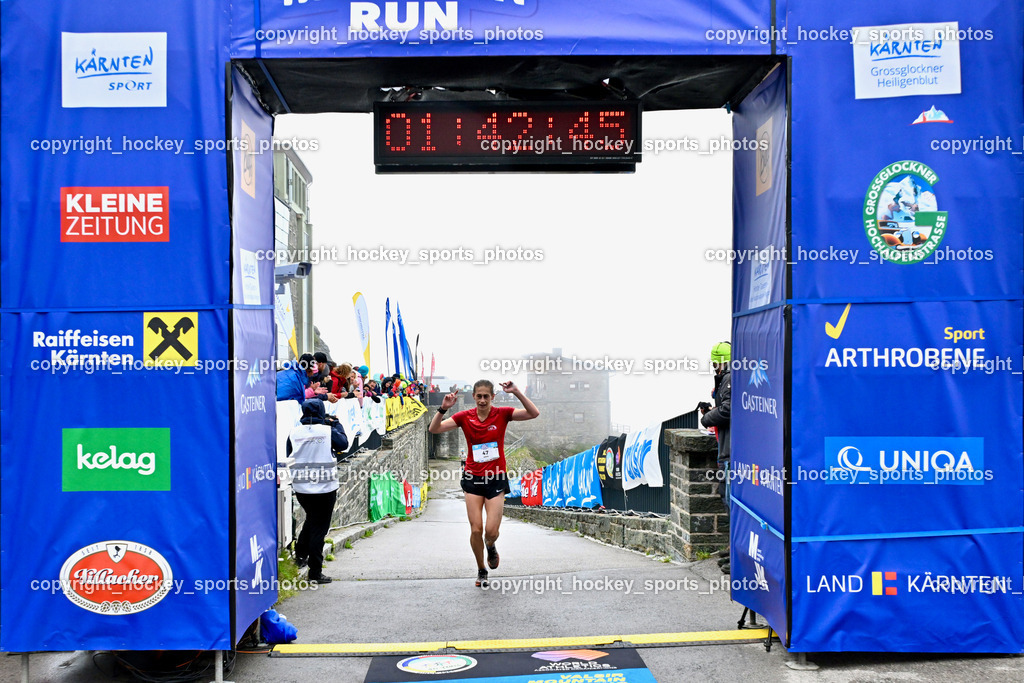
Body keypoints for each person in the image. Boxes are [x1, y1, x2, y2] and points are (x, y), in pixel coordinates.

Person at [428, 379, 539, 587]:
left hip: (496, 478)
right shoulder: (464, 417)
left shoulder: (503, 414)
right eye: (478, 396)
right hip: (472, 478)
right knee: (476, 529)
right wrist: (443, 408)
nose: (482, 400)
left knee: (491, 532)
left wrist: (516, 392)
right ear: (474, 397)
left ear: (492, 397)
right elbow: (434, 429)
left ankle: (491, 545)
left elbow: (534, 413)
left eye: (486, 396)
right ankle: (481, 569)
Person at [287, 399, 349, 584]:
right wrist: (336, 424)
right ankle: (315, 571)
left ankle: (300, 554)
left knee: (312, 519)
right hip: (325, 487)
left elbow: (289, 452)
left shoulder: (293, 432)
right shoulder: (328, 431)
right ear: (322, 412)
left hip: (301, 487)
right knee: (319, 530)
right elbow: (343, 444)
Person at [700, 341, 731, 574]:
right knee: (726, 496)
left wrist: (707, 417)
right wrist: (711, 408)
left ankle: (737, 554)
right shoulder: (727, 379)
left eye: (715, 363)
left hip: (731, 451)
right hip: (725, 449)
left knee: (732, 499)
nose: (714, 368)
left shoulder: (730, 378)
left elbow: (729, 409)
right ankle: (733, 549)